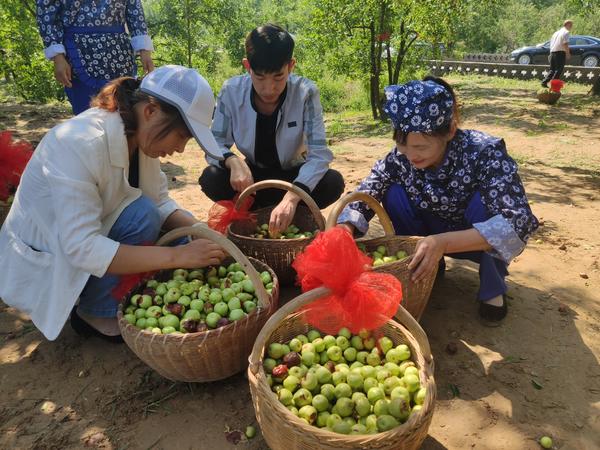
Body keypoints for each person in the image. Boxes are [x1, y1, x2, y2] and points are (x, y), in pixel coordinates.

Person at [0, 65, 227, 342]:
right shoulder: (79, 143)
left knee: (153, 217)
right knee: (144, 217)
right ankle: (94, 312)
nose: (180, 149)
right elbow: (81, 247)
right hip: (53, 254)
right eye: (180, 136)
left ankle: (103, 295)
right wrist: (180, 256)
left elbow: (160, 201)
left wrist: (202, 229)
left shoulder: (140, 137)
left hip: (91, 233)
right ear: (150, 111)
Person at [337, 77, 539, 322]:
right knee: (392, 193)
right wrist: (346, 226)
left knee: (487, 204)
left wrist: (443, 242)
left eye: (421, 147)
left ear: (450, 131)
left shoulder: (485, 152)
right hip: (429, 230)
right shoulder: (401, 157)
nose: (411, 155)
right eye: (403, 145)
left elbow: (517, 222)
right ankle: (426, 263)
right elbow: (372, 186)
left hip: (472, 237)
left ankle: (492, 288)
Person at [199, 24, 345, 234]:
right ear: (247, 66)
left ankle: (289, 210)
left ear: (291, 66)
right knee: (211, 177)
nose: (269, 89)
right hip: (251, 181)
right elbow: (214, 143)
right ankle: (258, 212)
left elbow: (319, 154)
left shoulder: (306, 93)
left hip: (293, 176)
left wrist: (293, 195)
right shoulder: (231, 91)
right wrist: (232, 161)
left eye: (278, 77)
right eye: (259, 77)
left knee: (332, 182)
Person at [36, 0, 155, 115]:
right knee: (87, 116)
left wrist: (144, 51)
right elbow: (46, 13)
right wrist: (58, 57)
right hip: (78, 53)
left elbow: (135, 11)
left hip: (120, 54)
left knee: (125, 116)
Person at [541, 20, 573, 88]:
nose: (571, 27)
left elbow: (551, 43)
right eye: (571, 25)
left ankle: (544, 82)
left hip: (553, 52)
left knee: (552, 69)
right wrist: (568, 53)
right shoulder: (566, 32)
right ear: (567, 24)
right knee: (559, 70)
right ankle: (553, 84)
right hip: (560, 53)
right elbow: (565, 44)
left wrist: (551, 53)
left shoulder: (556, 33)